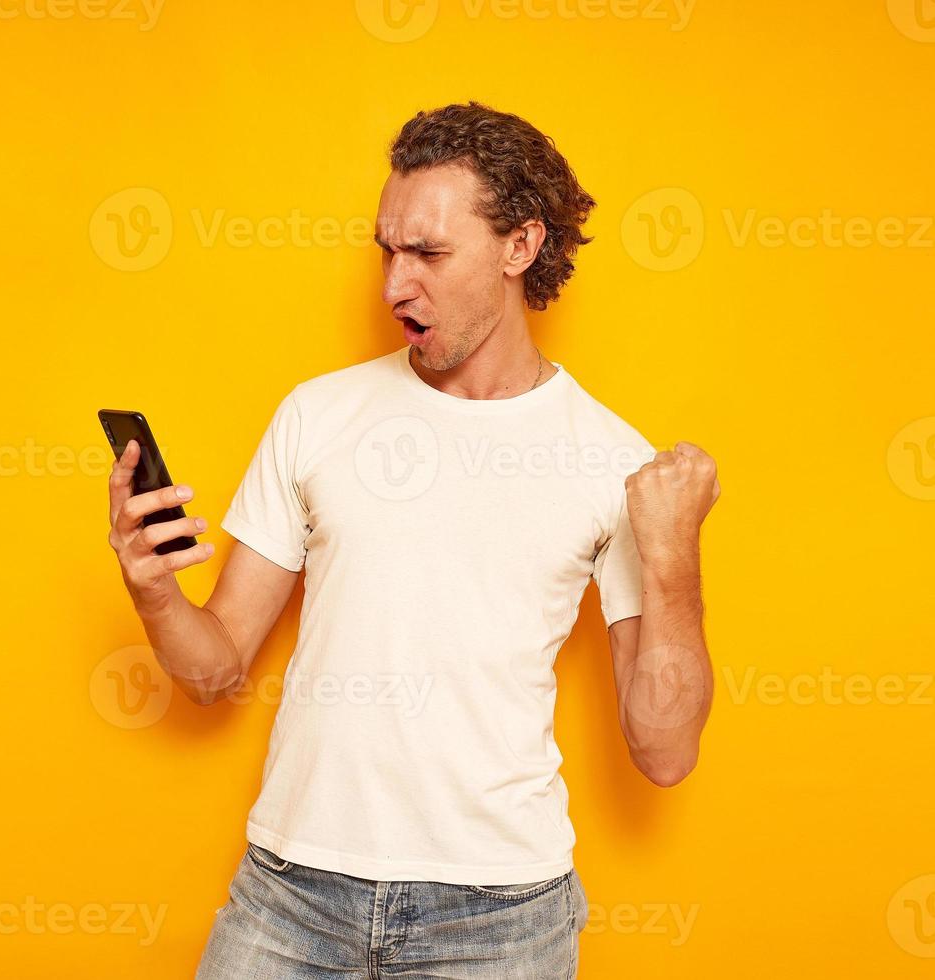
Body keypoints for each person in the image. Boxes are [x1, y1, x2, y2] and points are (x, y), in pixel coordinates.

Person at [104, 101, 719, 979]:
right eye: (388, 250)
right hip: (291, 894)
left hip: (500, 919)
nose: (395, 285)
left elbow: (664, 752)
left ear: (521, 247)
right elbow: (212, 673)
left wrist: (672, 557)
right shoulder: (318, 414)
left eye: (429, 254)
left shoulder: (610, 461)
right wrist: (155, 589)